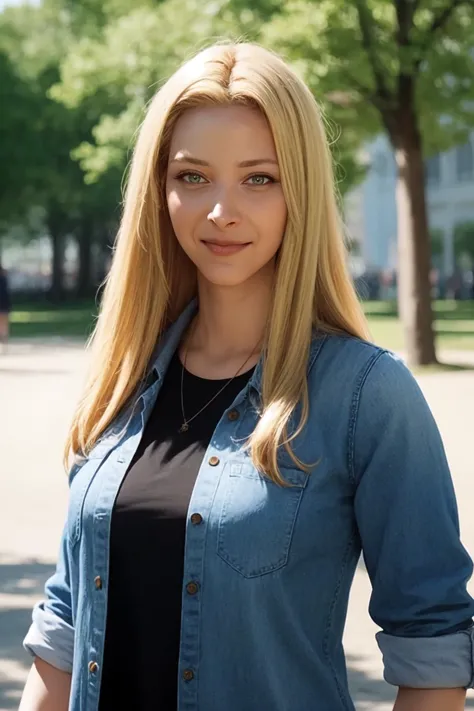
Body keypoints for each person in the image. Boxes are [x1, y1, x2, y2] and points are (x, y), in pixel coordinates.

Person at [20, 42, 474, 711]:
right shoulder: (122, 379)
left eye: (258, 178)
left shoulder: (365, 395)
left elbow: (434, 648)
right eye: (193, 176)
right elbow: (64, 628)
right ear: (159, 189)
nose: (219, 212)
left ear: (301, 189)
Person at [0, 263, 11, 351]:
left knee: (3, 323)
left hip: (4, 303)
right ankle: (4, 342)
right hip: (4, 304)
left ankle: (4, 343)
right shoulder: (4, 279)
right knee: (4, 324)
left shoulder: (4, 279)